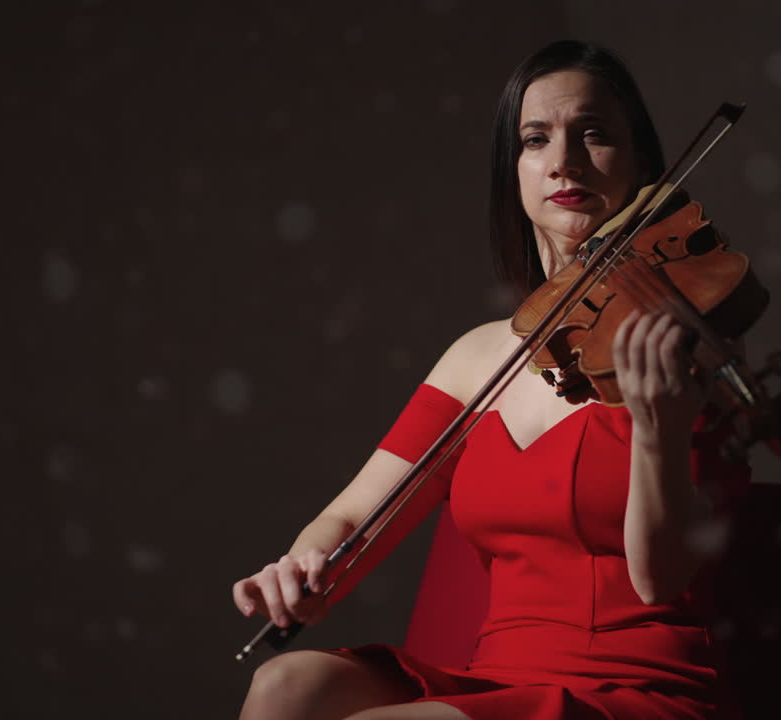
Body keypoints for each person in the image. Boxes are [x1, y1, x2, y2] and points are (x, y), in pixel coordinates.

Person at [232, 40, 751, 720]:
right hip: (498, 681)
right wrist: (302, 571)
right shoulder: (479, 357)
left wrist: (660, 426)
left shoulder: (681, 344)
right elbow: (354, 515)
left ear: (643, 165)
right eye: (536, 140)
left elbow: (661, 580)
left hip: (640, 693)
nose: (563, 161)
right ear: (515, 170)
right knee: (285, 686)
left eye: (593, 134)